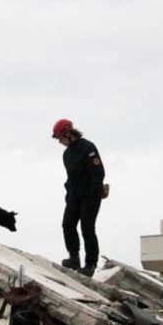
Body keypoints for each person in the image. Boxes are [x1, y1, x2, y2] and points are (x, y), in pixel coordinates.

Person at [52, 119, 107, 277]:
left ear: (68, 134)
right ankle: (74, 257)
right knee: (67, 224)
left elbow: (98, 172)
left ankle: (90, 264)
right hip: (74, 196)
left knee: (87, 228)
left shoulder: (87, 147)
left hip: (90, 196)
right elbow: (71, 177)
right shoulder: (67, 154)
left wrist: (94, 192)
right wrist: (69, 194)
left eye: (59, 138)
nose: (59, 142)